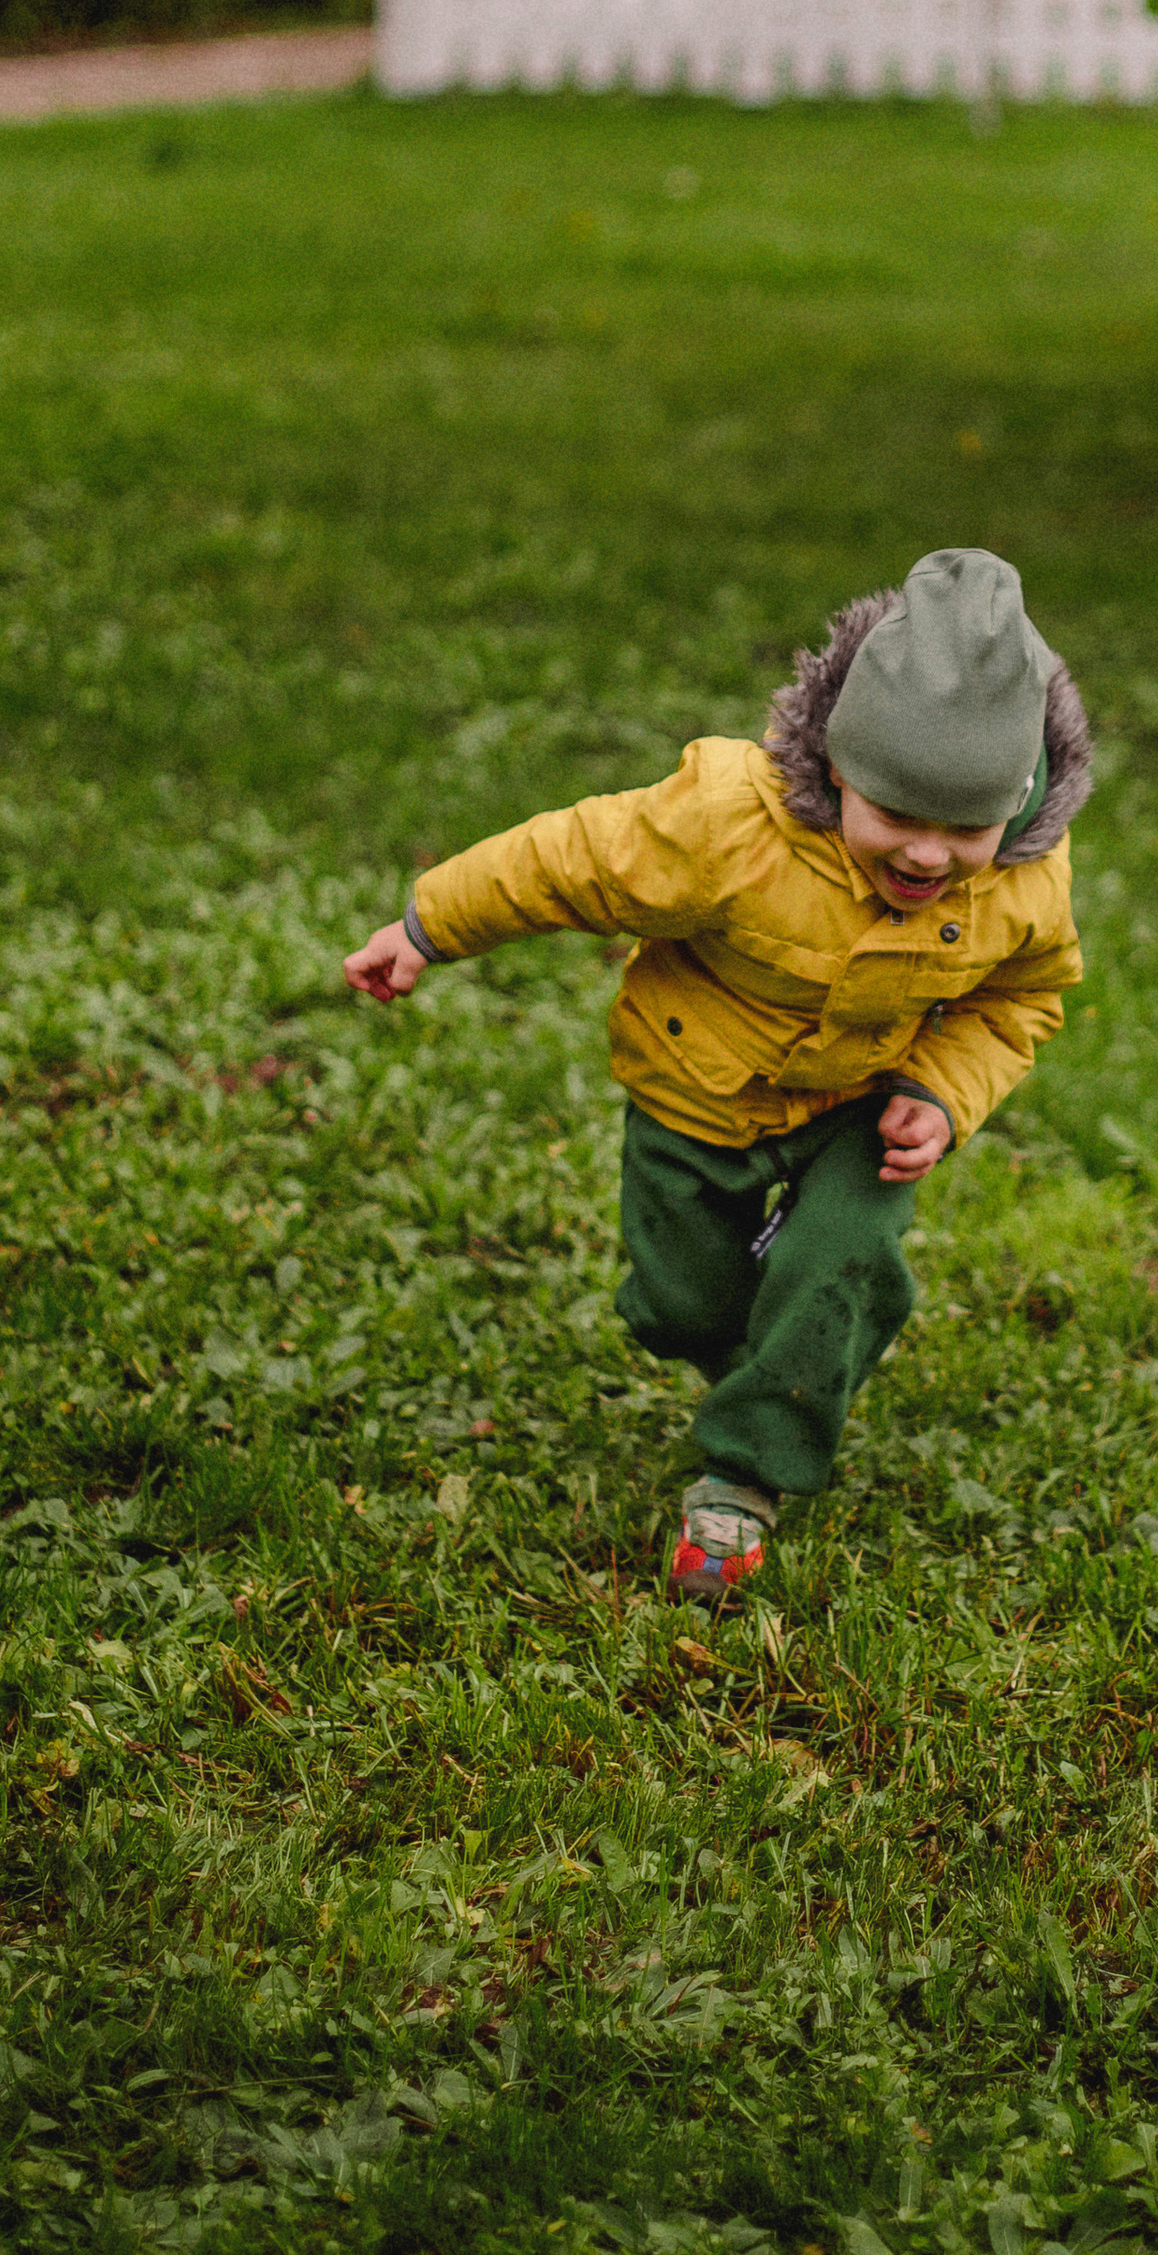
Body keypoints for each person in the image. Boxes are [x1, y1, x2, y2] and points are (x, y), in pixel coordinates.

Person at [342, 548, 1090, 1609]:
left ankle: (745, 1478)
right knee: (678, 1308)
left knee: (840, 1256)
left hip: (865, 1105)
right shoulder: (730, 826)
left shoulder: (1021, 882)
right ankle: (775, 1344)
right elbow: (568, 861)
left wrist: (939, 1091)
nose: (928, 857)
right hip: (699, 1094)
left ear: (1013, 807)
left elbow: (1021, 999)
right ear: (838, 767)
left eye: (965, 829)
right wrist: (429, 926)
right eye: (899, 818)